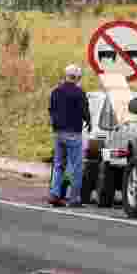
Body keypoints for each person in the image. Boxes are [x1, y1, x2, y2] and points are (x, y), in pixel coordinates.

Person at [49, 65, 91, 207]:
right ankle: (74, 199)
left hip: (58, 132)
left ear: (66, 75)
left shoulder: (55, 91)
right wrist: (88, 121)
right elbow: (85, 112)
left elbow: (51, 110)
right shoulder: (79, 93)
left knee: (59, 165)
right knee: (76, 166)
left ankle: (55, 194)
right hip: (73, 132)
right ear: (78, 78)